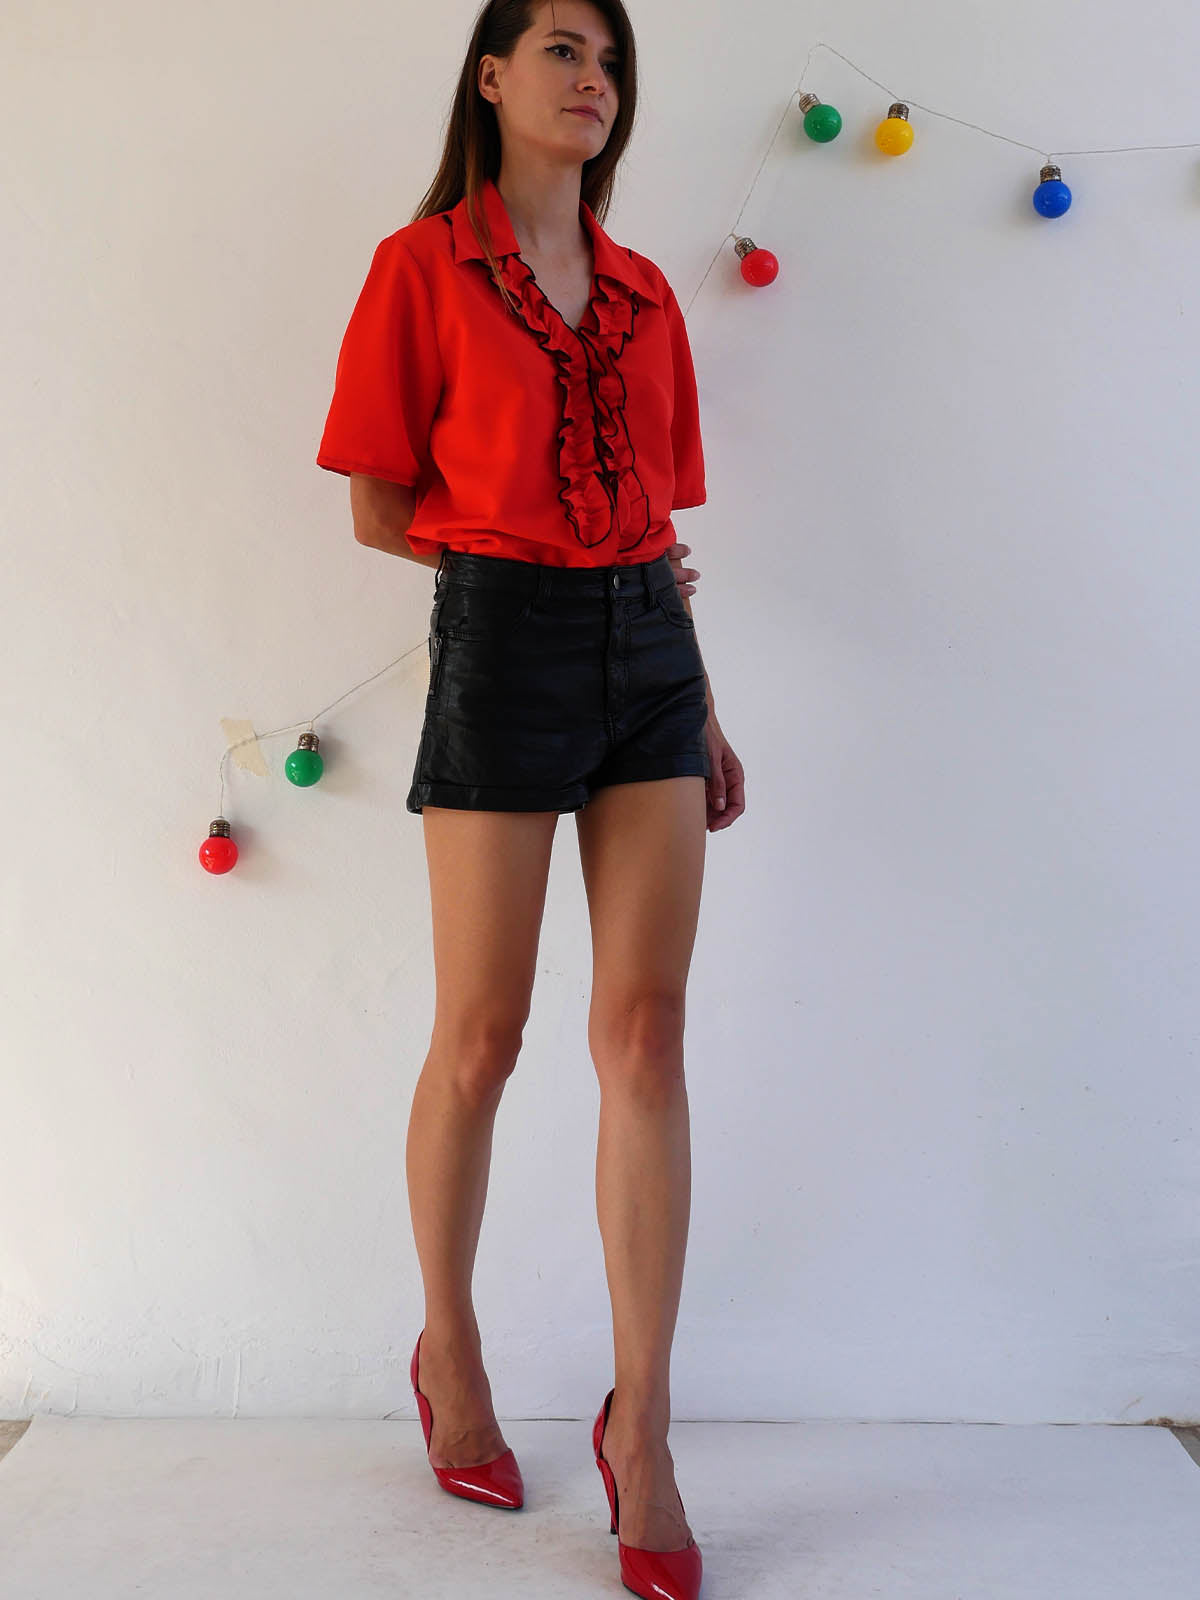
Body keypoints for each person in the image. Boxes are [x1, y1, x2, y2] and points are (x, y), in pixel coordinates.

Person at [315, 4, 745, 1596]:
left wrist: (702, 698)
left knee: (645, 1033)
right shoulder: (421, 269)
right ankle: (452, 1347)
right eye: (563, 49)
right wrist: (517, 574)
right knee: (481, 1035)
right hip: (498, 634)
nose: (592, 81)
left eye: (611, 62)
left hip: (650, 651)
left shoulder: (642, 295)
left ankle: (646, 1433)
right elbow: (377, 502)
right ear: (491, 76)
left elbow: (651, 525)